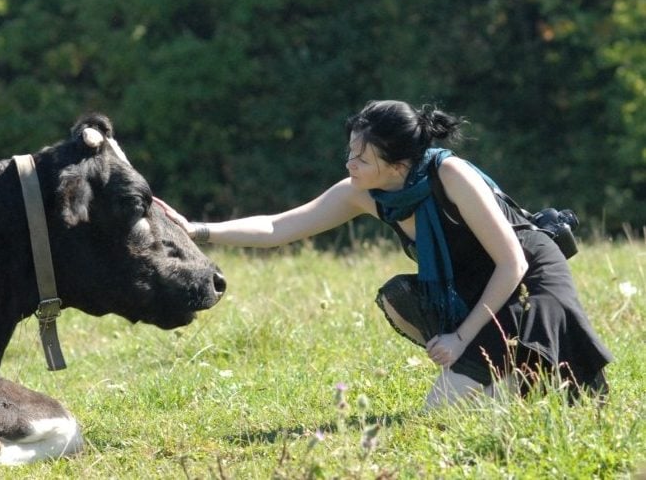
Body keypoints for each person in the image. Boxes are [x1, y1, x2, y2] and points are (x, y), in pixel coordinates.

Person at [159, 100, 612, 408]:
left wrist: (459, 340)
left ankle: (533, 376)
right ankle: (518, 380)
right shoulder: (366, 192)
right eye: (350, 152)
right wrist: (196, 230)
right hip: (480, 292)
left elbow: (512, 262)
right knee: (437, 382)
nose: (349, 164)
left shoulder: (450, 175)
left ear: (398, 165)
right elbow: (280, 227)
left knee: (445, 413)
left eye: (361, 158)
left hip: (528, 284)